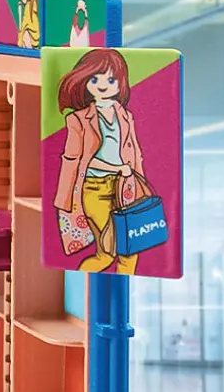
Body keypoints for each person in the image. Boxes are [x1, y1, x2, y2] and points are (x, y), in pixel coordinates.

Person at [53, 49, 151, 276]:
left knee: (130, 250)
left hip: (124, 188)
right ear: (85, 81)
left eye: (111, 80)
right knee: (107, 251)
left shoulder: (125, 116)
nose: (103, 86)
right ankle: (79, 284)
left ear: (120, 83)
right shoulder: (78, 119)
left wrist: (140, 185)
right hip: (94, 189)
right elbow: (78, 160)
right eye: (95, 79)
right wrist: (117, 168)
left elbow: (135, 152)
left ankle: (120, 286)